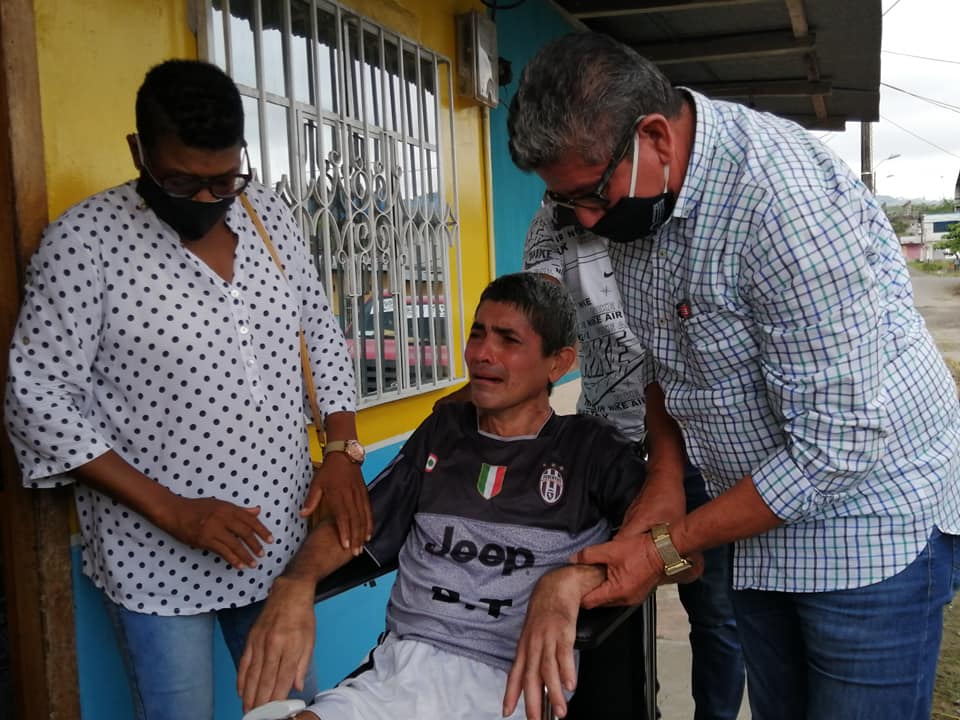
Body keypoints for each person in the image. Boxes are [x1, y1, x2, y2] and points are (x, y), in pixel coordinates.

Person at [506, 32, 960, 720]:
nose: (587, 220)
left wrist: (666, 546)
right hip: (761, 515)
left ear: (654, 137)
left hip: (869, 525)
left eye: (592, 196)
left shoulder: (783, 203)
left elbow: (838, 446)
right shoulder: (637, 204)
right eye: (568, 206)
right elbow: (667, 360)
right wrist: (663, 482)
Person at [4, 59, 372, 720]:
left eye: (223, 180)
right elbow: (38, 400)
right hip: (155, 560)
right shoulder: (85, 243)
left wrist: (343, 447)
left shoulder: (267, 217)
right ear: (138, 152)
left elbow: (318, 327)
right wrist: (175, 512)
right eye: (181, 181)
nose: (205, 200)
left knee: (292, 715)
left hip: (277, 543)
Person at [236, 272, 651, 720]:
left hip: (512, 685)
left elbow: (666, 549)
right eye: (477, 334)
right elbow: (354, 526)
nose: (482, 353)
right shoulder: (443, 432)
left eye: (508, 340)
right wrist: (296, 583)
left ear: (558, 363)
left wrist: (575, 579)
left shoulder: (591, 451)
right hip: (398, 673)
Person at [522, 206, 744, 720]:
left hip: (692, 445)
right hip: (606, 447)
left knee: (712, 607)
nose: (572, 198)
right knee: (612, 593)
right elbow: (540, 313)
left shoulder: (673, 219)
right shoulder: (551, 224)